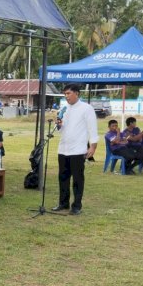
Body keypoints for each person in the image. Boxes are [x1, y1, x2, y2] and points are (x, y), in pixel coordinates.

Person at [52, 84, 98, 215]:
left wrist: (93, 146)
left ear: (77, 93)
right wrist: (59, 125)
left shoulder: (86, 108)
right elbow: (61, 130)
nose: (66, 96)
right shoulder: (65, 109)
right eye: (65, 94)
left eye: (68, 93)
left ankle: (76, 206)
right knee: (63, 178)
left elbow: (92, 128)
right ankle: (63, 203)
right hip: (63, 149)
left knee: (77, 179)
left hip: (78, 150)